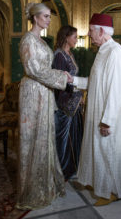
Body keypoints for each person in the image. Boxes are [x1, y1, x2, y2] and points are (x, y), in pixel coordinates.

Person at [16, 2, 73, 210]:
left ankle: (46, 184)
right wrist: (61, 76)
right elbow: (33, 69)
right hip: (32, 92)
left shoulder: (42, 41)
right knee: (33, 138)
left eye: (50, 16)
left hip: (45, 91)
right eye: (46, 16)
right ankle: (31, 189)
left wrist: (62, 75)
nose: (49, 20)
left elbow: (45, 68)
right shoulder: (27, 40)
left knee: (45, 136)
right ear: (35, 18)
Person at [73, 13, 121, 206]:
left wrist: (108, 120)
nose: (89, 34)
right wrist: (72, 80)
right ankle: (93, 181)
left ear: (101, 31)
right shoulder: (103, 50)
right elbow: (95, 82)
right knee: (95, 150)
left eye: (91, 30)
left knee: (107, 153)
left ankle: (108, 192)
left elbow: (116, 89)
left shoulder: (115, 52)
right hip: (96, 110)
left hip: (107, 115)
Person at [52, 25, 83, 180]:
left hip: (73, 100)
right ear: (66, 37)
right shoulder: (59, 56)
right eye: (75, 37)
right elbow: (59, 82)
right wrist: (74, 92)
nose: (77, 40)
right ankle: (64, 169)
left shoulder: (69, 53)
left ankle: (73, 167)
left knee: (74, 136)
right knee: (63, 139)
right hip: (64, 103)